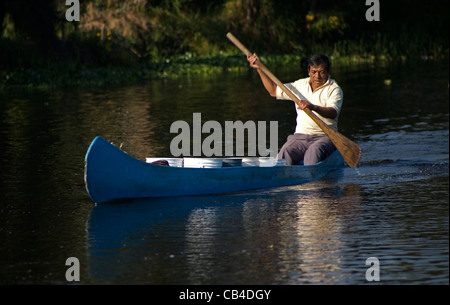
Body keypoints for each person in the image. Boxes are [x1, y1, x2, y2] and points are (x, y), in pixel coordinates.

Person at [247, 53, 343, 165]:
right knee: (285, 153)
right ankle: (282, 178)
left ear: (328, 72)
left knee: (313, 152)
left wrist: (313, 107)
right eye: (314, 72)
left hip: (325, 137)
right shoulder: (299, 85)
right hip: (300, 137)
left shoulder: (334, 89)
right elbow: (273, 90)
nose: (317, 76)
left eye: (321, 72)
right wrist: (259, 69)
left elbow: (333, 113)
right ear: (308, 71)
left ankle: (312, 181)